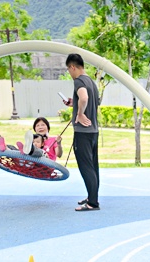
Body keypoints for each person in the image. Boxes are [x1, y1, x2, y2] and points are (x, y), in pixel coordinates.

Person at [62, 54, 101, 211]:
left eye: (68, 70)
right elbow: (88, 100)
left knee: (86, 167)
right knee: (93, 166)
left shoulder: (79, 81)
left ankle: (93, 203)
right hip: (93, 131)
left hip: (83, 132)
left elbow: (84, 98)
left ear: (72, 67)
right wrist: (75, 104)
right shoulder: (91, 81)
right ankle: (92, 197)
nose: (69, 73)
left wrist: (79, 114)